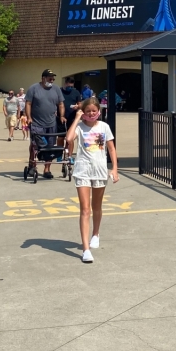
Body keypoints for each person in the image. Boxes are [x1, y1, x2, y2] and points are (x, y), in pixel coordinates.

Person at [65, 97, 119, 264]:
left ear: (98, 112)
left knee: (97, 206)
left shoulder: (104, 127)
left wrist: (115, 169)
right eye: (87, 111)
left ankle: (96, 234)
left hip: (100, 171)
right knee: (85, 210)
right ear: (84, 112)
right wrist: (76, 119)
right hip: (82, 171)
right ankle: (86, 248)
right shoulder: (80, 127)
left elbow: (111, 148)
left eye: (93, 111)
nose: (91, 114)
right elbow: (68, 139)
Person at [25, 69, 65, 179]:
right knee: (35, 145)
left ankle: (47, 169)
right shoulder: (34, 88)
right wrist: (28, 117)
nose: (52, 80)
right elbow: (28, 103)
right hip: (37, 123)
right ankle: (32, 165)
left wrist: (61, 116)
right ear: (43, 78)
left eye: (53, 78)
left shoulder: (56, 89)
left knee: (50, 147)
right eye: (49, 78)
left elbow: (61, 104)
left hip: (51, 123)